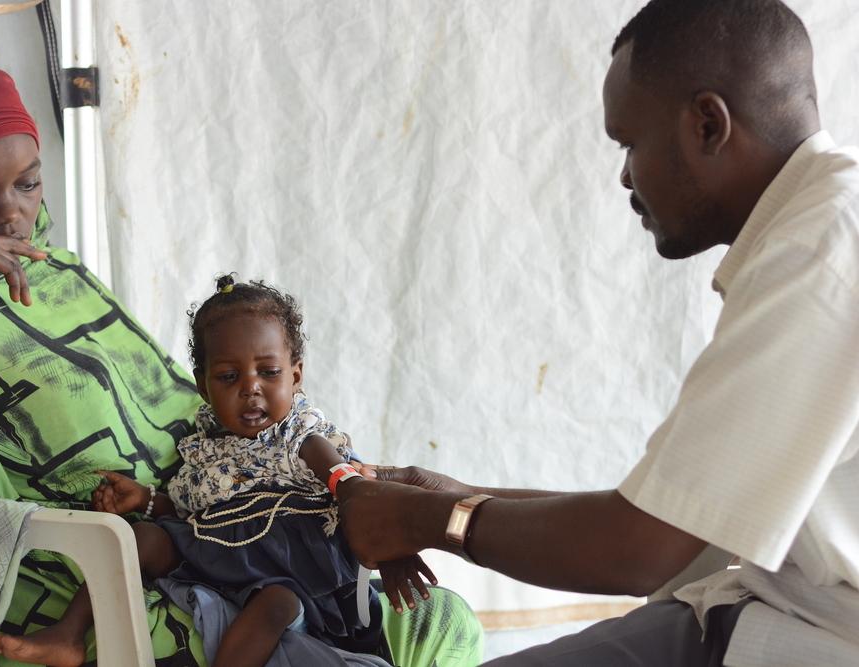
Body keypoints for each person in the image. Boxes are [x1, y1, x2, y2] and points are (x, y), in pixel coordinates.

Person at [0, 57, 483, 666]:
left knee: (440, 621)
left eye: (28, 182)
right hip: (96, 576)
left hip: (214, 526)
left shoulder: (62, 276)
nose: (11, 213)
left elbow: (193, 413)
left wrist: (172, 501)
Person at [338, 0, 859, 664]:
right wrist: (458, 496)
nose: (624, 175)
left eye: (629, 142)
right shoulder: (816, 229)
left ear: (707, 123)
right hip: (763, 612)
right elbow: (683, 518)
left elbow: (640, 549)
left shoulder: (819, 257)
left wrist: (428, 520)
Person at [0, 275, 437, 667]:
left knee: (273, 606)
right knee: (138, 536)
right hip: (216, 553)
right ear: (204, 386)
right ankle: (69, 634)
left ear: (295, 377)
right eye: (228, 377)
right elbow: (191, 508)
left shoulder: (302, 434)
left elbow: (346, 480)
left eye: (269, 372)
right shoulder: (203, 446)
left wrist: (390, 546)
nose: (251, 389)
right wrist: (145, 500)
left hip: (290, 571)